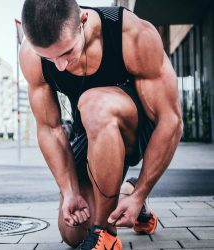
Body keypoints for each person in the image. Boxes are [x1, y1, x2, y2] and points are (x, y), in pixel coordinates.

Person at [19, 1, 183, 249]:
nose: (59, 65)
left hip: (138, 129)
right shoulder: (31, 55)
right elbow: (50, 129)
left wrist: (142, 193)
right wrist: (70, 191)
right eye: (48, 57)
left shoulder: (131, 33)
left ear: (83, 21)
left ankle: (105, 233)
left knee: (94, 103)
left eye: (66, 53)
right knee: (73, 233)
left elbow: (170, 120)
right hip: (91, 132)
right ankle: (124, 194)